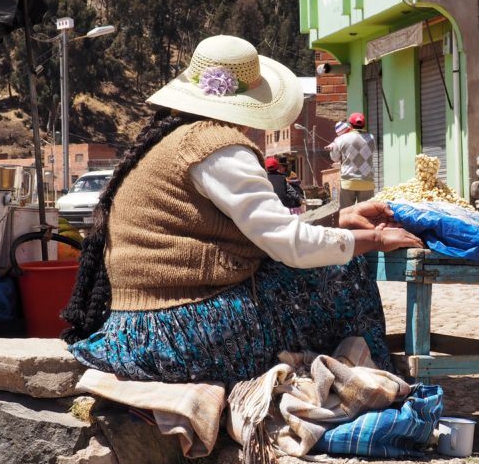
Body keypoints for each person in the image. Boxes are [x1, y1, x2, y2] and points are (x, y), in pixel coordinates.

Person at [62, 35, 423, 384]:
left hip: (137, 327)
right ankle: (374, 378)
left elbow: (251, 227)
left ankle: (356, 369)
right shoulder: (218, 146)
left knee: (331, 262)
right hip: (179, 334)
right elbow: (291, 246)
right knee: (347, 269)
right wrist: (372, 238)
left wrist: (337, 220)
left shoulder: (173, 141)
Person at [326, 112, 377, 208]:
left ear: (350, 124)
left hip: (348, 182)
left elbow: (334, 158)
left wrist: (333, 149)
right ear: (364, 124)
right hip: (367, 182)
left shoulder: (341, 139)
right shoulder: (371, 138)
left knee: (346, 213)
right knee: (366, 213)